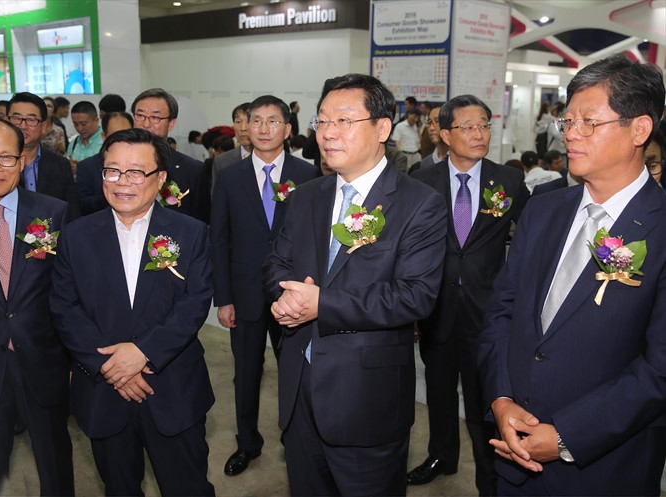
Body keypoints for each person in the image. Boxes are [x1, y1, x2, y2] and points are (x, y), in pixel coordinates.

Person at [478, 54, 666, 496]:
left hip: (604, 467)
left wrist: (566, 435)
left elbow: (659, 369)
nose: (570, 134)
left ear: (639, 129)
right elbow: (501, 312)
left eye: (589, 122)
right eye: (568, 121)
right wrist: (501, 399)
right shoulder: (544, 210)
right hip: (514, 454)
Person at [263, 74, 447, 496]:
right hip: (298, 390)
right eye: (322, 121)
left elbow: (414, 295)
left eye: (344, 121)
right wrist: (284, 296)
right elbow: (276, 262)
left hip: (366, 400)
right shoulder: (307, 196)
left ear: (382, 128)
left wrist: (321, 304)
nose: (327, 133)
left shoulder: (419, 203)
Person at [50, 128, 215, 496]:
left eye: (136, 172)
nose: (122, 182)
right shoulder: (76, 236)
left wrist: (143, 352)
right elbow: (64, 307)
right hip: (104, 390)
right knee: (119, 487)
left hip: (172, 388)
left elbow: (195, 303)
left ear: (160, 178)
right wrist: (111, 366)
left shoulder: (191, 233)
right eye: (112, 170)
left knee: (187, 487)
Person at [407, 94, 529, 496]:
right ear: (445, 135)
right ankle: (441, 456)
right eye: (468, 127)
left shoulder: (509, 181)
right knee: (439, 392)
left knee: (484, 403)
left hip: (488, 314)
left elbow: (531, 237)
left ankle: (489, 477)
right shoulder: (422, 180)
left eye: (484, 126)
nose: (479, 134)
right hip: (436, 310)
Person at [212, 94, 318, 477]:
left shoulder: (308, 175)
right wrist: (223, 298)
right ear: (245, 127)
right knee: (245, 372)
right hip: (244, 294)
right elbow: (219, 239)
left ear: (287, 129)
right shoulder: (229, 177)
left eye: (272, 121)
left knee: (295, 370)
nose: (262, 128)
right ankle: (247, 443)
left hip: (292, 292)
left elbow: (315, 238)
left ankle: (296, 439)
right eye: (255, 120)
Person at [0, 118, 74, 496]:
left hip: (43, 360)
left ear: (22, 160)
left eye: (6, 158)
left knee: (55, 464)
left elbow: (69, 293)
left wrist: (74, 359)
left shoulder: (55, 213)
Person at [131, 88, 206, 221]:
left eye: (155, 117)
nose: (146, 124)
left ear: (171, 124)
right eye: (140, 115)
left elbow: (201, 221)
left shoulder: (193, 170)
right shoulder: (113, 166)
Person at [7, 92, 80, 218]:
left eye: (31, 120)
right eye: (17, 118)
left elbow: (72, 212)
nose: (23, 126)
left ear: (44, 126)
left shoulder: (61, 165)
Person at [76, 111, 134, 215]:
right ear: (104, 136)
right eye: (116, 136)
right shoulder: (86, 167)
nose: (123, 141)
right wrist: (112, 195)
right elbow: (82, 203)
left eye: (128, 134)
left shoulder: (144, 165)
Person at [212, 102, 253, 195]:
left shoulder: (272, 158)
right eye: (238, 122)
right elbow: (217, 198)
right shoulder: (222, 161)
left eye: (248, 121)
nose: (243, 128)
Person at [66, 101, 104, 172]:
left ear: (96, 120)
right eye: (75, 124)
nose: (79, 128)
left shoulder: (105, 141)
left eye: (83, 124)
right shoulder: (73, 143)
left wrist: (82, 169)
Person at [418, 104, 449, 169]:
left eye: (437, 121)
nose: (431, 128)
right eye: (429, 122)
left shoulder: (462, 160)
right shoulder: (425, 163)